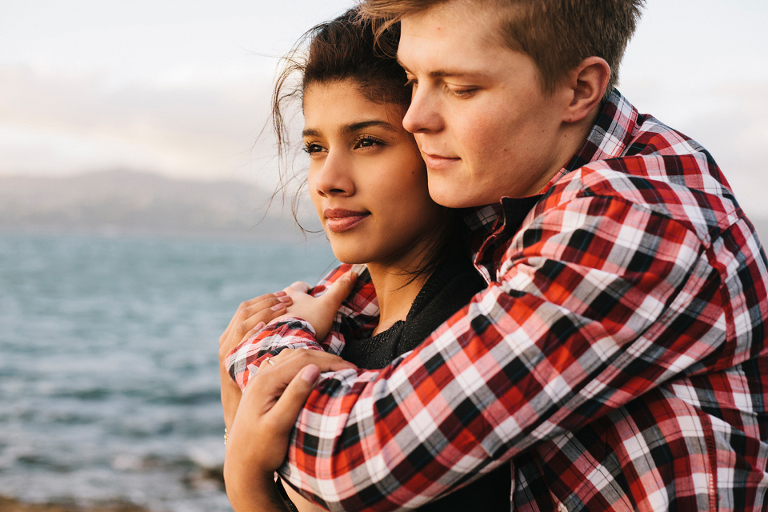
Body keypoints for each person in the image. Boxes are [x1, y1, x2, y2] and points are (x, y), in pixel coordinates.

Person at [226, 0, 768, 511]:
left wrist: (266, 349)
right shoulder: (515, 198)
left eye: (459, 88)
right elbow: (354, 292)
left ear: (579, 89)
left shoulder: (640, 220)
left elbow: (359, 457)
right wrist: (278, 333)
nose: (415, 119)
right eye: (414, 81)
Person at [220, 9, 515, 512]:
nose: (328, 179)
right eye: (315, 147)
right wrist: (237, 388)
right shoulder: (342, 320)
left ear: (433, 143)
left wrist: (246, 479)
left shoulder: (460, 337)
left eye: (367, 142)